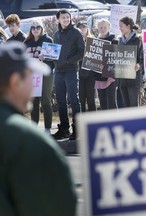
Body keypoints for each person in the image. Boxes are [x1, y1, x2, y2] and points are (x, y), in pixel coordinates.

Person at [0, 42, 77, 216]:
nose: (34, 82)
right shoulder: (28, 140)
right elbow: (58, 205)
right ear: (15, 81)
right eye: (30, 75)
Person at [53, 9, 85, 140]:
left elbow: (82, 52)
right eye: (63, 18)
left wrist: (68, 60)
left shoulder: (76, 32)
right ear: (58, 20)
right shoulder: (56, 34)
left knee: (73, 99)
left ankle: (78, 129)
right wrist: (48, 56)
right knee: (61, 101)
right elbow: (54, 51)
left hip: (71, 70)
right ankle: (64, 129)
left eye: (68, 17)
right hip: (58, 71)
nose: (66, 19)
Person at [24, 19, 54, 134]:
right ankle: (34, 129)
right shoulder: (27, 42)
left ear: (42, 28)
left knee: (46, 101)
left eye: (38, 27)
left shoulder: (48, 40)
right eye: (33, 27)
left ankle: (47, 129)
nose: (35, 29)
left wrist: (45, 58)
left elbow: (54, 59)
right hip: (32, 75)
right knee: (34, 101)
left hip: (46, 74)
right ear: (31, 30)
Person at [118, 16, 143, 107]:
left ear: (128, 26)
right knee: (126, 105)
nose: (119, 28)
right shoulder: (120, 40)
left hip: (134, 77)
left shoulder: (138, 39)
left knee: (134, 104)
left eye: (121, 26)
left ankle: (137, 122)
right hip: (122, 77)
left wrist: (139, 65)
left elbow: (143, 57)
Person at [95, 18, 117, 110]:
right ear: (97, 28)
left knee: (111, 101)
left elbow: (117, 58)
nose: (103, 29)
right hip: (99, 76)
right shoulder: (95, 41)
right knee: (102, 101)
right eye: (100, 27)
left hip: (111, 75)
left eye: (105, 27)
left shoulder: (115, 40)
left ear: (109, 27)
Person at [77, 20, 97, 112]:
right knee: (81, 98)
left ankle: (93, 121)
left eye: (83, 27)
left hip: (90, 74)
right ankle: (82, 119)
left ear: (87, 28)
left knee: (90, 99)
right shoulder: (74, 40)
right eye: (79, 27)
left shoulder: (92, 40)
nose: (81, 29)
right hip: (78, 73)